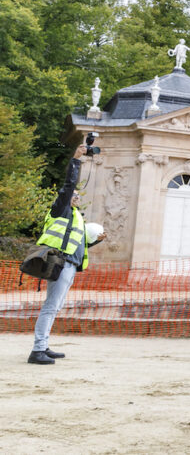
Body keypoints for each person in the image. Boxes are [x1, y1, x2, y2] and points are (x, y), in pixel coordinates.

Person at [29, 143, 107, 364]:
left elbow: (78, 246)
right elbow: (69, 184)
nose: (76, 196)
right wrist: (76, 159)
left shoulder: (76, 218)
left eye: (77, 195)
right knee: (50, 306)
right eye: (73, 194)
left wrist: (95, 242)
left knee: (55, 307)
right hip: (60, 264)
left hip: (69, 264)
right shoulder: (61, 210)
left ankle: (43, 345)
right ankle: (37, 351)